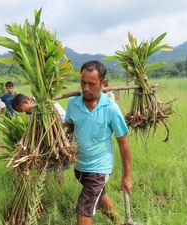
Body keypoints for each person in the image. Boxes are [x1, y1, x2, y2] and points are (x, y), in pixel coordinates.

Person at [64, 61, 132, 225]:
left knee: (83, 210)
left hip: (99, 169)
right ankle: (119, 221)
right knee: (99, 196)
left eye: (91, 84)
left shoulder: (110, 108)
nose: (86, 88)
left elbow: (123, 143)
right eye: (83, 82)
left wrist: (127, 175)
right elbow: (71, 126)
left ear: (103, 84)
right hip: (80, 167)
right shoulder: (73, 103)